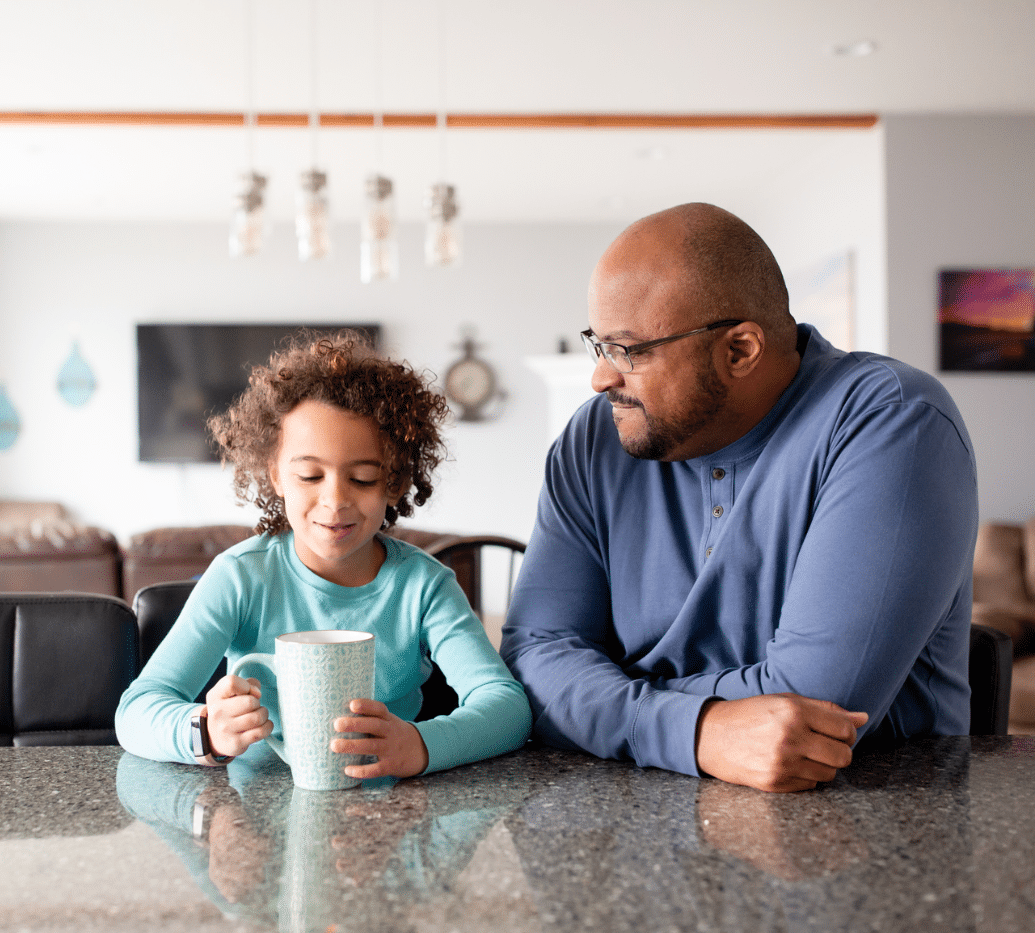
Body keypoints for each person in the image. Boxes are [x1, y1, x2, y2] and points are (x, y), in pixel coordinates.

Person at [500, 203, 979, 793]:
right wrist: (697, 730)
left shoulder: (893, 422)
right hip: (637, 810)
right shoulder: (592, 439)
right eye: (598, 345)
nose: (601, 378)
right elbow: (533, 656)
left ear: (739, 351)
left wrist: (601, 696)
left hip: (868, 819)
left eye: (630, 351)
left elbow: (810, 711)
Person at [117, 331, 531, 780]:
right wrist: (204, 732)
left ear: (395, 482)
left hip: (389, 816)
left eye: (364, 478)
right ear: (275, 475)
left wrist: (422, 745)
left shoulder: (423, 586)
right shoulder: (240, 577)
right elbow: (136, 711)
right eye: (310, 475)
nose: (335, 501)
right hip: (257, 818)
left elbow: (507, 707)